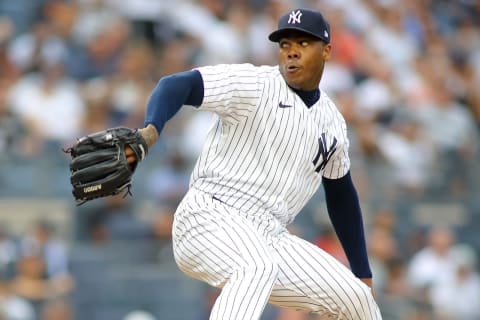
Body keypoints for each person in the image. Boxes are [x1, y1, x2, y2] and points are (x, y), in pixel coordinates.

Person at [128, 8, 381, 319]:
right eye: (286, 44)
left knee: (358, 300)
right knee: (256, 267)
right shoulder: (255, 84)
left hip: (270, 234)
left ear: (326, 50)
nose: (292, 52)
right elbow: (177, 84)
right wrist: (151, 130)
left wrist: (362, 273)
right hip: (209, 216)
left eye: (303, 44)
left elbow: (341, 195)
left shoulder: (333, 123)